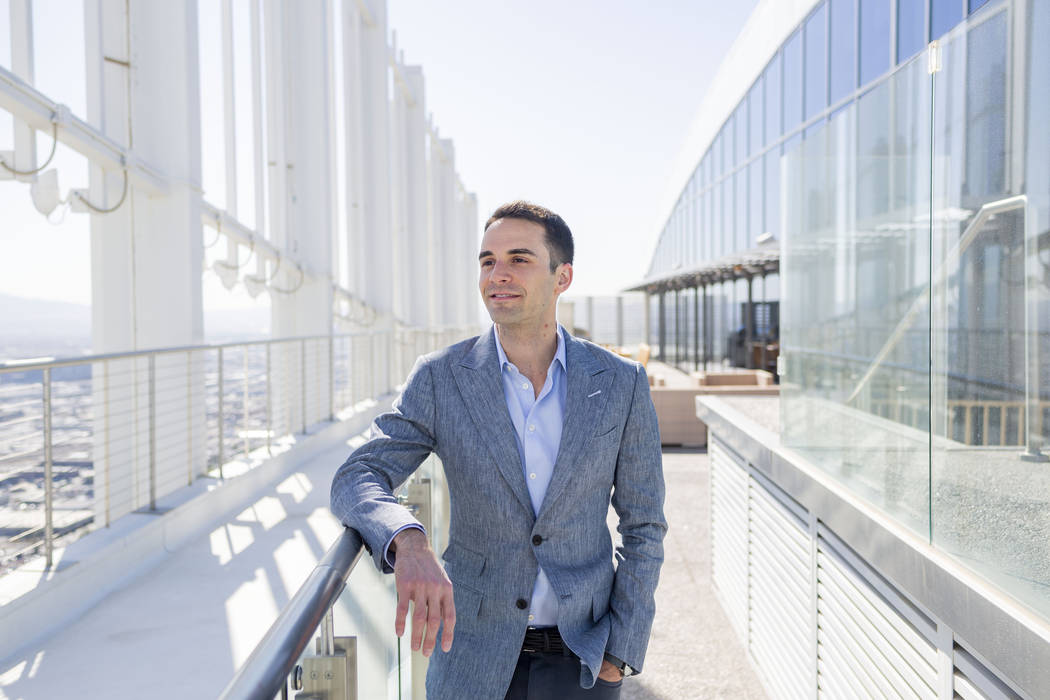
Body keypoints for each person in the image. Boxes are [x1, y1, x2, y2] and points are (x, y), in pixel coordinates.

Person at [331, 200, 666, 699]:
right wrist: (408, 538)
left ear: (562, 277)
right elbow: (357, 475)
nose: (497, 274)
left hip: (584, 660)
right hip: (471, 658)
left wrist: (621, 652)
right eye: (487, 261)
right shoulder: (441, 377)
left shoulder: (621, 383)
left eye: (519, 259)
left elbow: (645, 524)